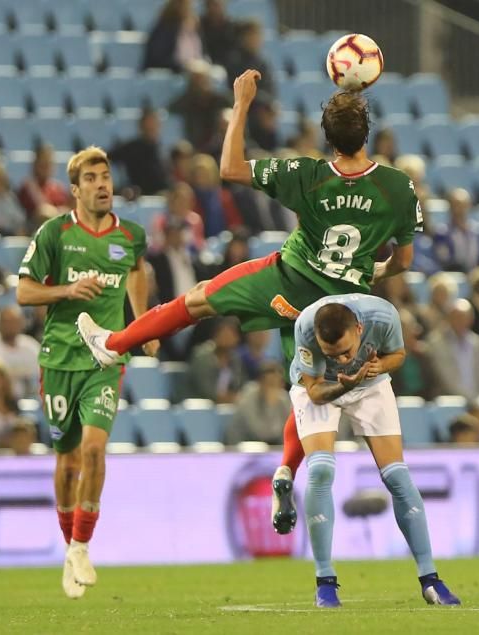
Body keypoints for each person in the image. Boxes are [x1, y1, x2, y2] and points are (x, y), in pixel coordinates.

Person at [76, 70, 421, 536]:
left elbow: (231, 169)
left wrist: (240, 105)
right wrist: (374, 271)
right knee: (305, 391)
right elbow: (402, 260)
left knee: (199, 300)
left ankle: (114, 344)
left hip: (288, 279)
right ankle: (285, 471)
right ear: (368, 134)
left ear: (326, 137)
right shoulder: (398, 187)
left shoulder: (308, 173)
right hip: (340, 308)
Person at [17, 147, 156, 600]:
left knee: (95, 451)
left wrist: (142, 323)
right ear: (75, 190)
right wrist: (67, 289)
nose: (103, 185)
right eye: (92, 178)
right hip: (59, 359)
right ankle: (69, 550)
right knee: (68, 461)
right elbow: (23, 291)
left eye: (106, 176)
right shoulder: (55, 234)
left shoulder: (131, 235)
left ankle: (81, 544)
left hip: (105, 360)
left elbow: (137, 272)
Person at [288, 294, 460, 607]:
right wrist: (345, 382)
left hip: (370, 383)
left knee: (397, 477)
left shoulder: (383, 316)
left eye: (344, 351)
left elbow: (398, 354)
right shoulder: (305, 328)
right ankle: (325, 582)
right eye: (331, 354)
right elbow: (313, 391)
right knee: (322, 469)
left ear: (359, 328)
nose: (339, 360)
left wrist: (379, 365)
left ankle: (431, 580)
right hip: (323, 390)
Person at [427, 299, 479, 399]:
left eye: (465, 317)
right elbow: (446, 379)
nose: (461, 321)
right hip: (450, 403)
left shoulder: (477, 343)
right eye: (456, 317)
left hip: (477, 403)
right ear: (449, 318)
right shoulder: (436, 343)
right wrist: (471, 400)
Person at [0, 305, 41, 399]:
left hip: (31, 399)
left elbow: (40, 373)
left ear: (21, 323)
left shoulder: (31, 345)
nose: (11, 326)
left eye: (15, 322)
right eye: (7, 322)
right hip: (0, 401)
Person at [109, 109, 169, 196]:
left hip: (161, 196)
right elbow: (106, 158)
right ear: (141, 126)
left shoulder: (161, 149)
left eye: (154, 124)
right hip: (139, 196)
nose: (151, 128)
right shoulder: (131, 148)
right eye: (148, 125)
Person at [227, 361, 290, 444]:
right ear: (260, 382)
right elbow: (260, 432)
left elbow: (287, 432)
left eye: (278, 383)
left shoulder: (284, 399)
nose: (274, 388)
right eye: (270, 383)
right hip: (241, 446)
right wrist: (270, 405)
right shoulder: (248, 396)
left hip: (268, 448)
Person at [431, 189, 479, 272]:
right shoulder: (442, 233)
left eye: (463, 205)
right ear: (450, 207)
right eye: (455, 205)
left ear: (469, 206)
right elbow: (444, 260)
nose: (458, 209)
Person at [143, 0, 204, 72]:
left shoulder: (194, 27)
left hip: (189, 70)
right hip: (169, 72)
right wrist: (181, 66)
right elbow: (158, 58)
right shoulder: (165, 28)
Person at [17, 145, 71, 224]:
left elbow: (68, 209)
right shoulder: (28, 186)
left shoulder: (58, 187)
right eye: (43, 163)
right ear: (35, 164)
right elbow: (42, 211)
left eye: (49, 162)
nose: (46, 166)